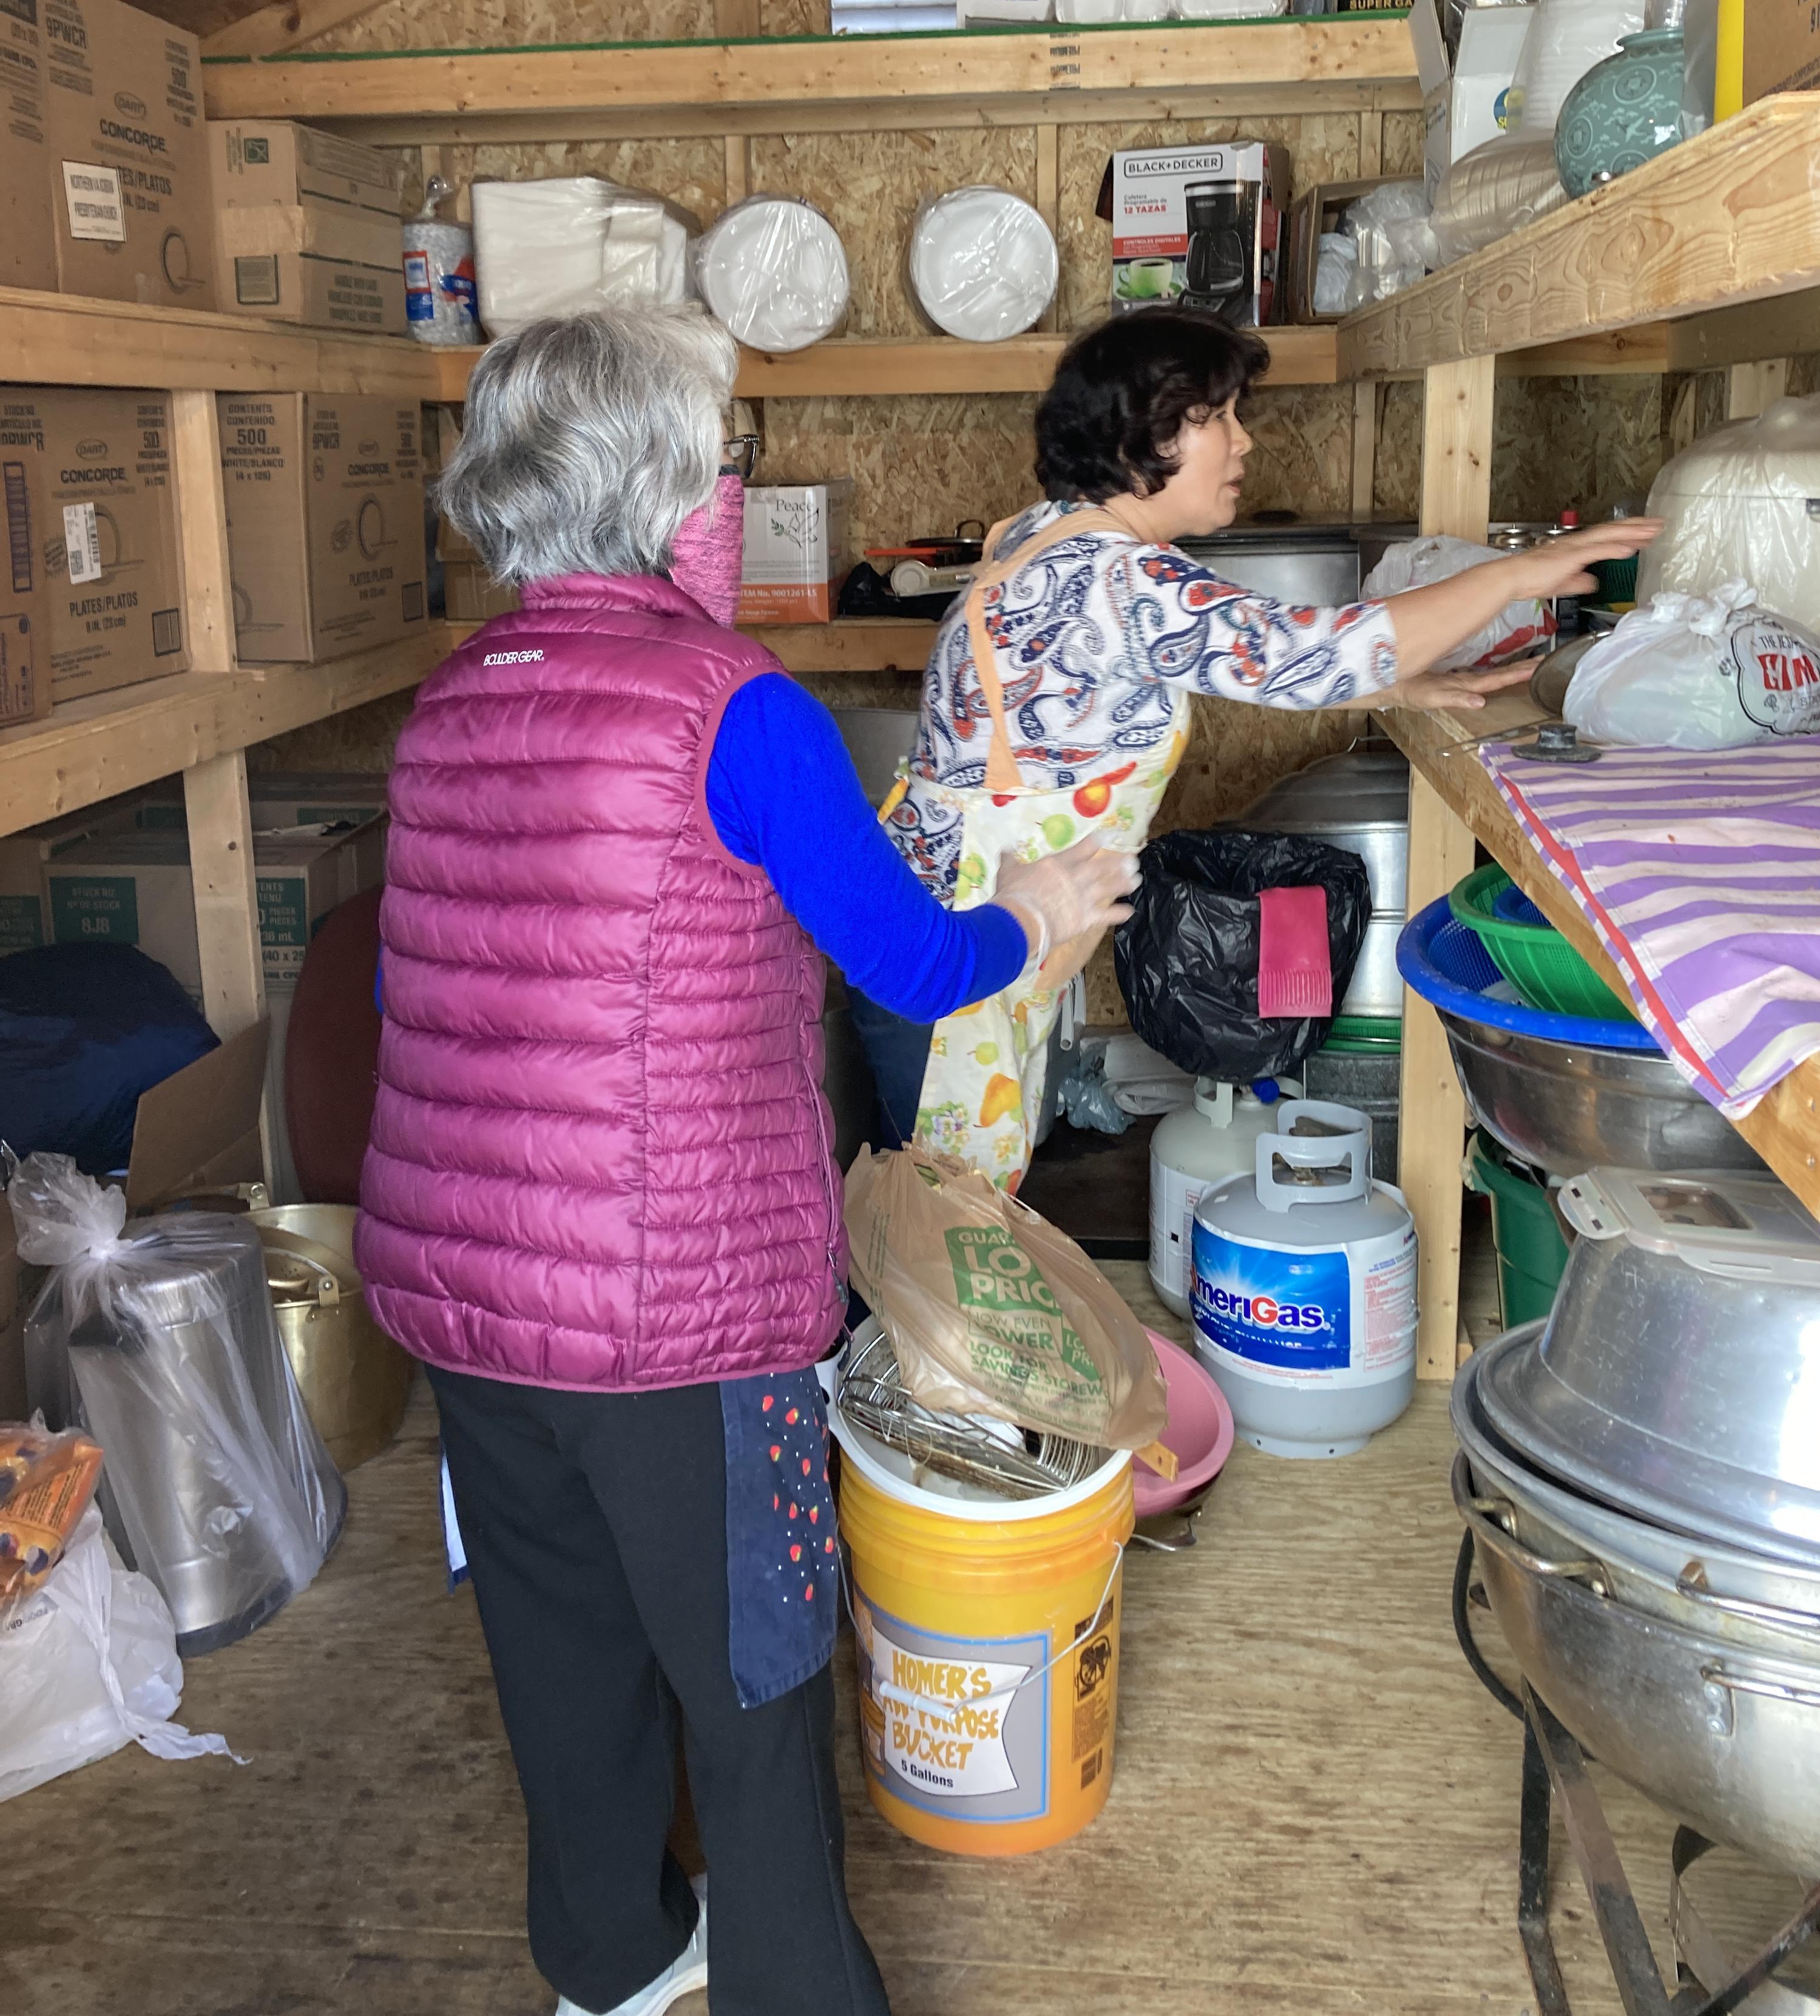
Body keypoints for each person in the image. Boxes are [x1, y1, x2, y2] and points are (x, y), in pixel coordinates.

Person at [356, 308, 1135, 2016]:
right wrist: (1041, 913)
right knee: (755, 1678)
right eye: (724, 448)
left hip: (463, 1298)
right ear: (667, 478)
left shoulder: (450, 704)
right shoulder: (737, 708)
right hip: (676, 1313)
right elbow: (910, 965)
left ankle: (613, 1960)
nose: (733, 478)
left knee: (560, 1653)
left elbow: (429, 1000)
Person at [852, 310, 1662, 1184]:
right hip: (958, 952)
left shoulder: (1050, 537)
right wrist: (1514, 573)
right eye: (1217, 417)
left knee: (944, 1212)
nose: (1244, 441)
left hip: (951, 929)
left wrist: (1394, 687)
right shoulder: (1118, 578)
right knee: (940, 1219)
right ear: (1139, 435)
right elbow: (1307, 655)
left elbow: (1179, 667)